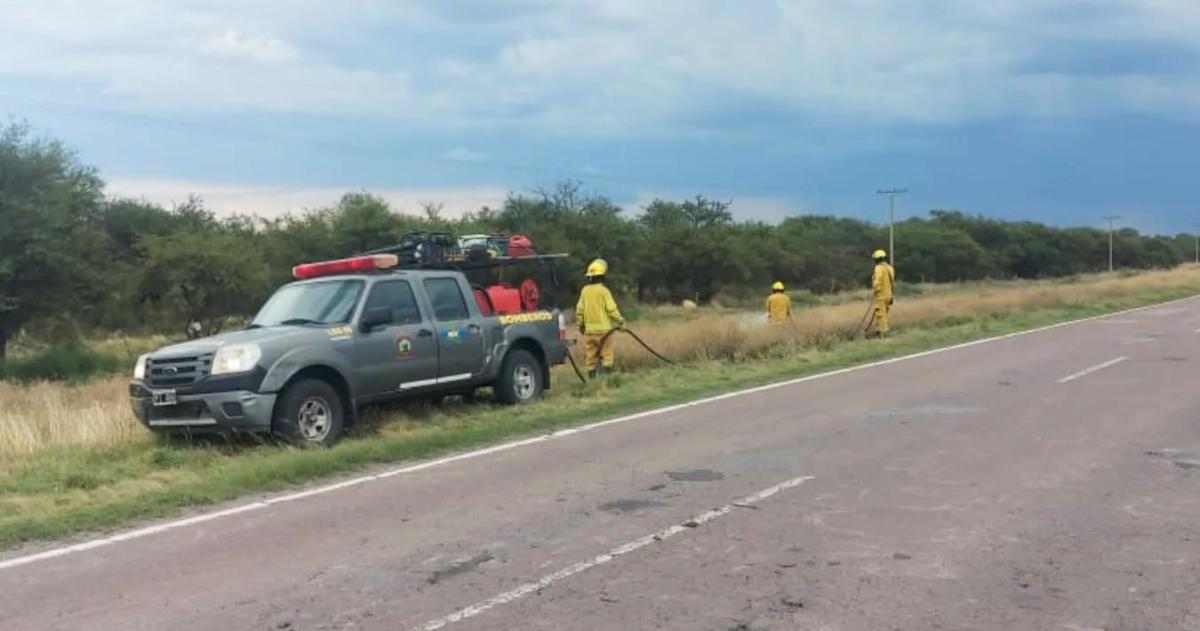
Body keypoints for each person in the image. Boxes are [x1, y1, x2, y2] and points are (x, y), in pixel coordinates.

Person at [576, 258, 625, 377]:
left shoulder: (584, 291)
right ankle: (606, 380)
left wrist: (581, 325)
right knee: (607, 355)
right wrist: (621, 321)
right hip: (605, 331)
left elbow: (579, 310)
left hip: (590, 332)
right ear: (603, 276)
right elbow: (612, 310)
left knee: (591, 356)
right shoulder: (604, 291)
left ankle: (593, 381)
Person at [871, 249, 895, 337]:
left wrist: (875, 290)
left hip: (881, 296)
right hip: (888, 295)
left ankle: (883, 333)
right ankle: (878, 332)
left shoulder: (879, 268)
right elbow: (892, 283)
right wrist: (892, 295)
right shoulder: (890, 268)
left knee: (880, 315)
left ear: (878, 259)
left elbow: (877, 281)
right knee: (884, 314)